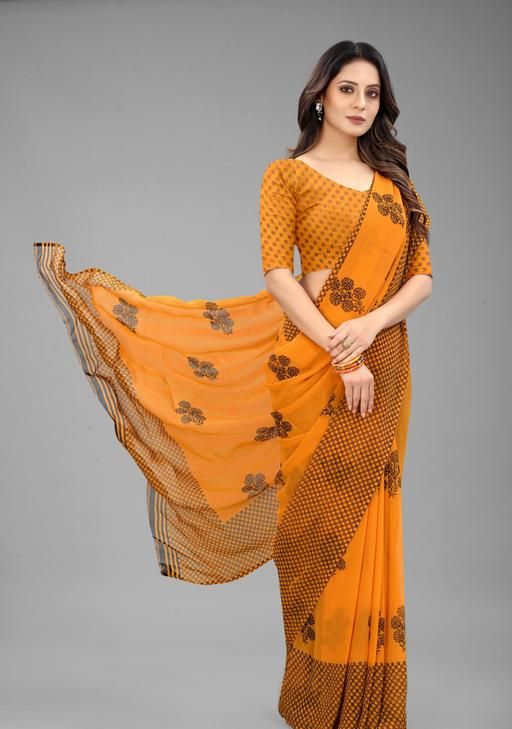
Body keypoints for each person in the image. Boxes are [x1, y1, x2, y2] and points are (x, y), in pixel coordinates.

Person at [34, 40, 433, 729]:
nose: (361, 104)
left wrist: (369, 329)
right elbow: (278, 274)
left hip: (384, 363)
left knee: (372, 525)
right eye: (347, 89)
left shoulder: (394, 184)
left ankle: (371, 704)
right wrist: (342, 351)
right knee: (316, 531)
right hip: (314, 364)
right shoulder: (288, 175)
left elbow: (423, 276)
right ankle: (315, 701)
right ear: (319, 96)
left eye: (372, 93)